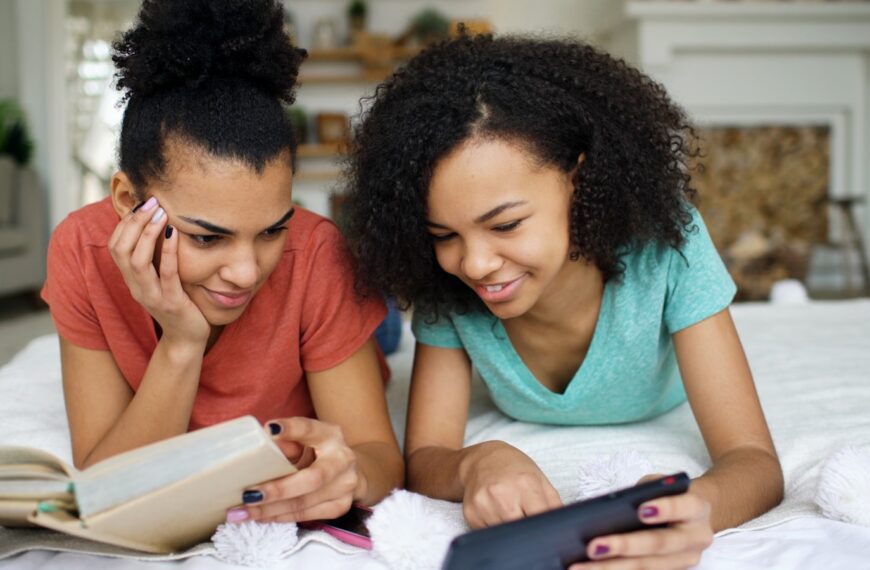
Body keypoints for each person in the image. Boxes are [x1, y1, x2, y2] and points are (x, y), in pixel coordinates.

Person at [344, 34, 783, 568]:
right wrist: (478, 462)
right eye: (443, 235)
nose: (475, 263)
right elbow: (426, 457)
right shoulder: (449, 289)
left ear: (579, 178)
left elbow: (753, 460)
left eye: (504, 224)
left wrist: (699, 504)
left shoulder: (669, 248)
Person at [41, 0, 402, 524]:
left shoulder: (314, 251)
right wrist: (182, 342)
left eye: (273, 229)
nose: (247, 271)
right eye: (207, 238)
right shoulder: (80, 249)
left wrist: (354, 474)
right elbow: (106, 484)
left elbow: (379, 456)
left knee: (381, 318)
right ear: (127, 202)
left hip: (330, 294)